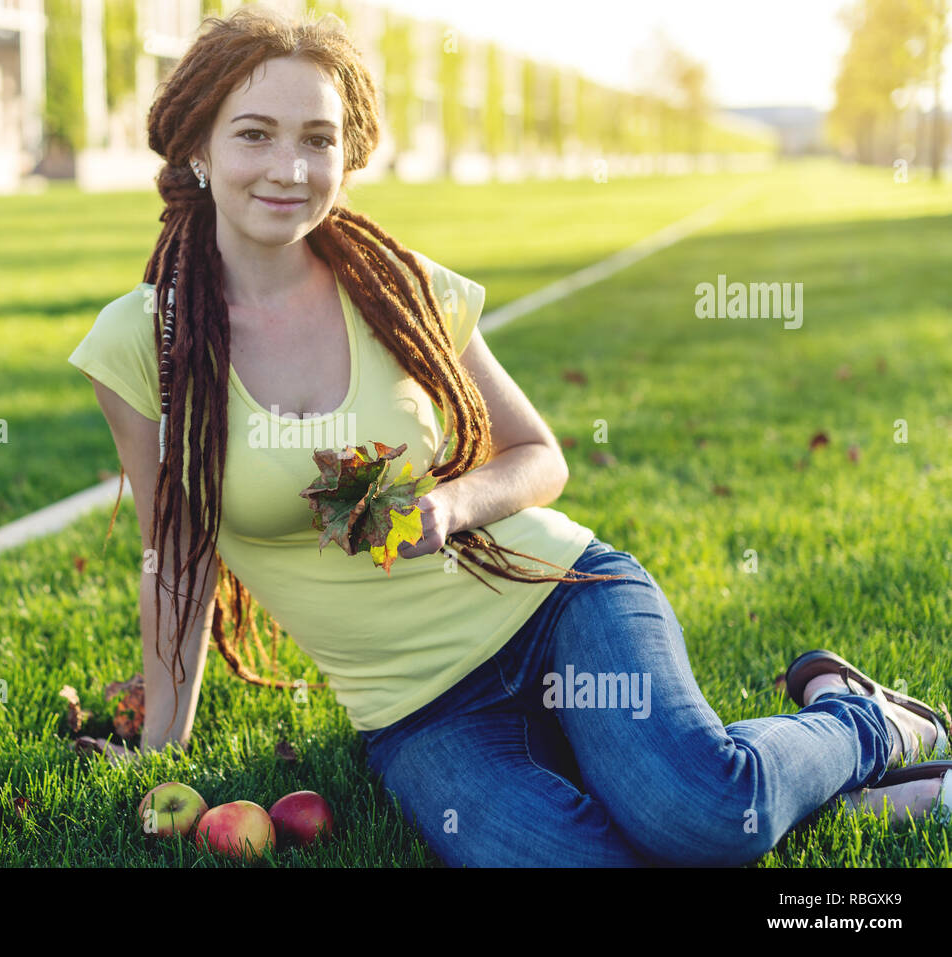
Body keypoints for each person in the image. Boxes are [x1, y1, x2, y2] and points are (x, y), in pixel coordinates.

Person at [67, 7, 952, 866]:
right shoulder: (145, 340)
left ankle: (855, 718)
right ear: (199, 146)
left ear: (349, 152)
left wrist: (448, 507)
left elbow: (540, 457)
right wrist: (160, 749)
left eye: (319, 138)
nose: (289, 167)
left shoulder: (401, 288)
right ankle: (818, 795)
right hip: (420, 712)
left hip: (558, 602)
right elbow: (175, 551)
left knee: (701, 813)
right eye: (254, 134)